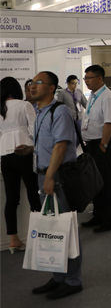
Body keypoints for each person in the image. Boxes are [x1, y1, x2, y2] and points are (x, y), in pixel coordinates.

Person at [29, 71, 83, 299]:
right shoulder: (40, 112)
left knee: (66, 229)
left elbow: (61, 146)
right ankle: (59, 277)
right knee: (52, 230)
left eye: (38, 82)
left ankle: (73, 280)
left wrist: (50, 177)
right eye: (32, 83)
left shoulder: (59, 111)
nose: (32, 86)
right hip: (44, 176)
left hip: (57, 177)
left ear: (51, 88)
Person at [0, 77, 42, 253]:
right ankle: (38, 236)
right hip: (25, 151)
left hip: (5, 155)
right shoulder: (25, 105)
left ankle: (13, 240)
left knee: (11, 199)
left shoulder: (1, 107)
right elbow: (34, 130)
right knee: (34, 195)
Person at [80, 65, 111, 232]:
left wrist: (103, 144)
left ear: (99, 78)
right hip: (91, 145)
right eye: (85, 78)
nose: (86, 81)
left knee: (106, 183)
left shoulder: (108, 97)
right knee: (95, 183)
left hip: (101, 145)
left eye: (89, 78)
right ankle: (98, 216)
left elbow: (109, 123)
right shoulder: (93, 95)